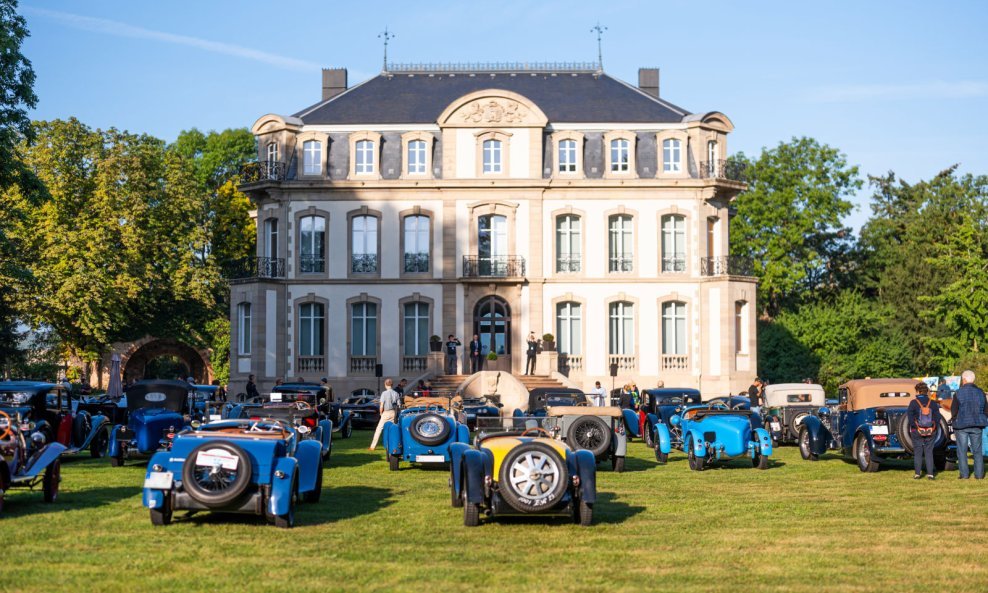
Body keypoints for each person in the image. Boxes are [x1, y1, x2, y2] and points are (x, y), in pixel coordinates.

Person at [951, 370, 988, 479]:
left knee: (962, 451)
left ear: (964, 380)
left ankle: (964, 475)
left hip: (961, 425)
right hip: (977, 424)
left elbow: (954, 410)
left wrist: (954, 420)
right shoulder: (981, 392)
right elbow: (986, 409)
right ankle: (979, 475)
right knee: (977, 451)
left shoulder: (958, 393)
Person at [907, 382, 942, 479]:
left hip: (916, 431)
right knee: (929, 452)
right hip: (931, 431)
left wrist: (916, 427)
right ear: (926, 391)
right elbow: (938, 417)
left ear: (918, 391)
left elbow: (910, 417)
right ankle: (930, 474)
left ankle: (917, 474)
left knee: (918, 452)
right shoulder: (933, 403)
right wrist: (933, 427)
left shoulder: (913, 403)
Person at [370, 378, 401, 451]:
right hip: (394, 412)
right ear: (392, 385)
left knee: (379, 429)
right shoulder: (396, 393)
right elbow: (399, 405)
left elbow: (381, 405)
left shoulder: (384, 393)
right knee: (394, 429)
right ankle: (395, 445)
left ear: (385, 384)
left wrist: (381, 413)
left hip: (386, 412)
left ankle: (372, 446)